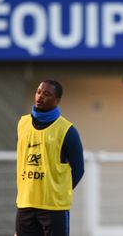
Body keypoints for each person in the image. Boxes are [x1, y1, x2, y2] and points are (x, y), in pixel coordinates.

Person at [16, 80, 84, 236]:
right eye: (39, 92)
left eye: (47, 94)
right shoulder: (22, 124)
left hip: (54, 207)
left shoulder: (67, 130)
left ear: (57, 100)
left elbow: (79, 169)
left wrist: (59, 189)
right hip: (25, 203)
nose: (40, 97)